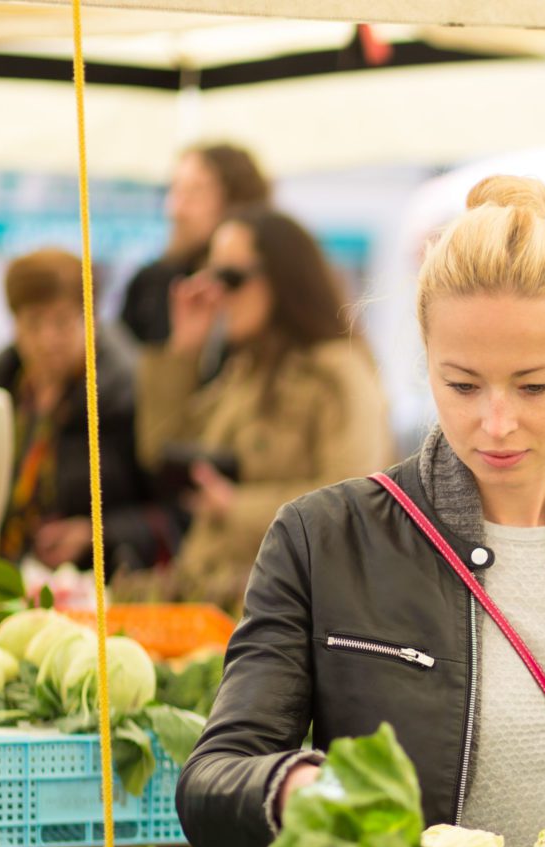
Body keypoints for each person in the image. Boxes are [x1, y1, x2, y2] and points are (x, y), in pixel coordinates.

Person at [175, 175, 545, 847]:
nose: (496, 423)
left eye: (534, 386)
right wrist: (296, 786)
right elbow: (212, 781)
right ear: (426, 363)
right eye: (462, 384)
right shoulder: (323, 539)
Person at [135, 206, 391, 610]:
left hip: (286, 614)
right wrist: (183, 352)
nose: (216, 295)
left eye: (230, 279)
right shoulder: (246, 370)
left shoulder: (336, 373)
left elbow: (354, 502)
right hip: (214, 602)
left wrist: (235, 507)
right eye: (210, 276)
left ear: (282, 279)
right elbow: (159, 451)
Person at [0, 249, 163, 573]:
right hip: (10, 581)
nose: (48, 340)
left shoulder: (128, 394)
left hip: (101, 591)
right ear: (14, 324)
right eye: (33, 323)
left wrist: (97, 537)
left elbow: (170, 515)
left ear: (89, 318)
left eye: (62, 322)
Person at [120, 143, 270, 347]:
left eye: (195, 192)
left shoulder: (260, 288)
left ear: (236, 201)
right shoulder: (151, 284)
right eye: (175, 190)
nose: (175, 209)